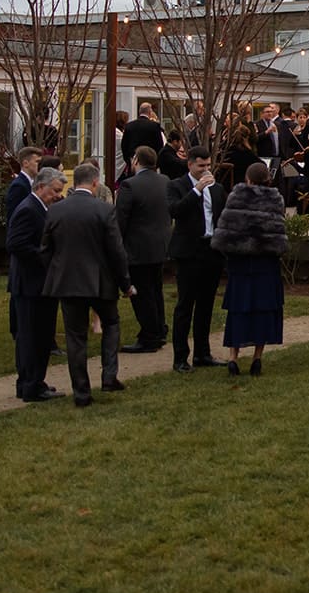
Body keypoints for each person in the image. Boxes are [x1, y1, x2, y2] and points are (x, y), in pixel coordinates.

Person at [41, 162, 135, 408]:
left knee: (75, 336)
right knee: (111, 323)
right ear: (95, 182)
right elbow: (117, 251)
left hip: (68, 281)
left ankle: (81, 392)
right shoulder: (104, 210)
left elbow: (46, 249)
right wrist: (126, 283)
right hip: (100, 281)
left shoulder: (55, 210)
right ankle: (109, 374)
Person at [211, 162, 287, 377]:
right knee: (263, 310)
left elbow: (224, 233)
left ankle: (233, 357)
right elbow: (279, 234)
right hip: (266, 264)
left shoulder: (236, 197)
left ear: (248, 179)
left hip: (241, 264)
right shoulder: (275, 199)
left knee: (239, 310)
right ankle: (257, 358)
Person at [6, 166, 68, 402]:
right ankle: (31, 385)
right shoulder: (29, 209)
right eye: (54, 191)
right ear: (40, 187)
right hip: (31, 285)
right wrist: (47, 256)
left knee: (37, 336)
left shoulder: (39, 208)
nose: (57, 196)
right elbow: (15, 244)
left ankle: (31, 382)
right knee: (33, 337)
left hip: (37, 284)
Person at [167, 148, 229, 371]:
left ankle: (203, 353)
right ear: (190, 165)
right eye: (201, 166)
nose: (206, 170)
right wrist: (196, 190)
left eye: (208, 165)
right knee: (185, 305)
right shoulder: (176, 186)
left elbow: (222, 217)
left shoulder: (218, 188)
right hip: (188, 252)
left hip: (211, 250)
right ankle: (180, 357)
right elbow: (175, 210)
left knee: (206, 305)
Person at [115, 145, 171, 353]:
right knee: (155, 290)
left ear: (136, 161)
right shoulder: (165, 181)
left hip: (138, 247)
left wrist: (116, 246)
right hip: (160, 245)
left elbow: (120, 219)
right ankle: (159, 329)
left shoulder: (130, 186)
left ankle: (149, 335)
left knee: (143, 293)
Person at [4, 147, 43, 223]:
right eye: (37, 162)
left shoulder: (32, 182)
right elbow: (14, 217)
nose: (40, 165)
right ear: (25, 163)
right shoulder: (18, 186)